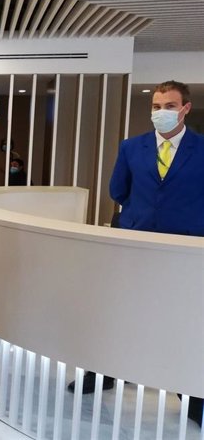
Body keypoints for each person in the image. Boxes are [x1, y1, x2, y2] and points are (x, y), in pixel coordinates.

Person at [108, 80, 204, 426]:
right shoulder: (132, 147)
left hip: (185, 251)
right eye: (156, 106)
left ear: (185, 109)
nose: (161, 112)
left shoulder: (202, 148)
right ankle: (109, 371)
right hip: (138, 245)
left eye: (169, 106)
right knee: (126, 313)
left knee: (182, 322)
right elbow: (117, 190)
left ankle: (190, 392)